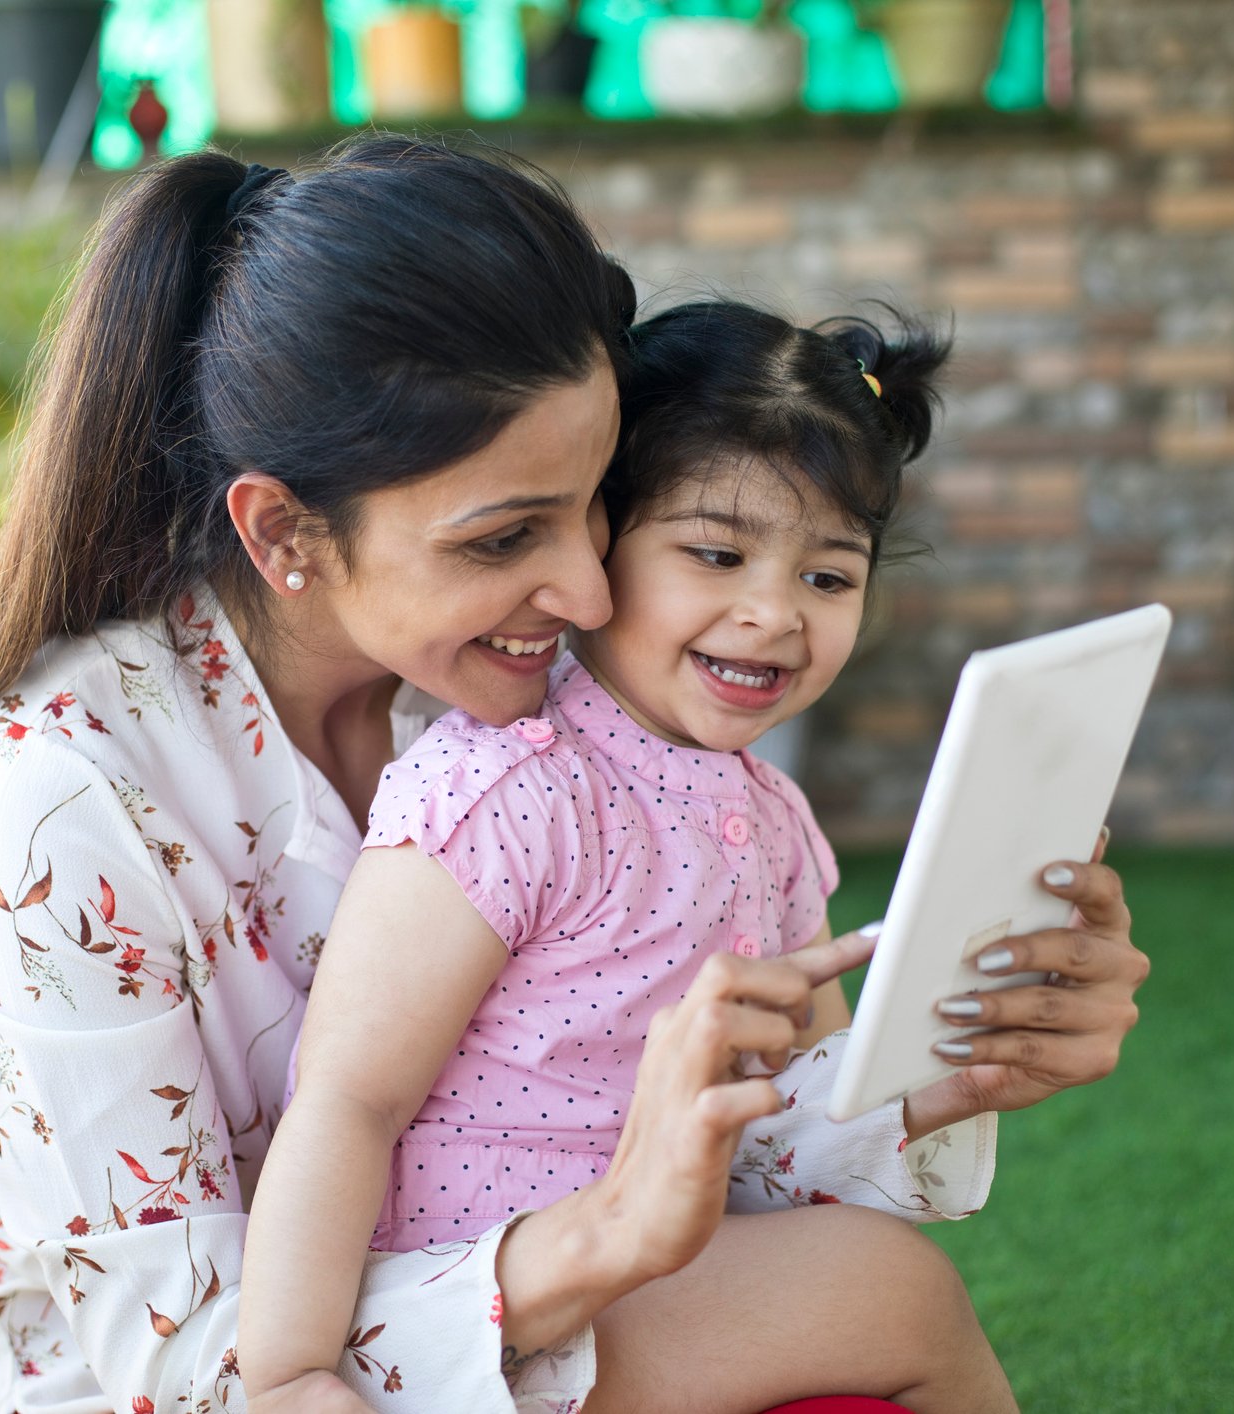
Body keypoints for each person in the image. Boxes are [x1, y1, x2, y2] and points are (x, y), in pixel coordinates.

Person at [0, 138, 1151, 1414]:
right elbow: (198, 1366)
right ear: (284, 533)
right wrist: (604, 1238)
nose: (592, 590)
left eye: (598, 502)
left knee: (873, 1298)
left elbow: (720, 1127)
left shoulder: (545, 714)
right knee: (880, 1295)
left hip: (491, 1299)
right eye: (504, 535)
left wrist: (955, 1065)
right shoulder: (65, 795)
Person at [238, 298, 1020, 1414]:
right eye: (716, 553)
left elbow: (806, 1098)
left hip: (667, 1267)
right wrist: (291, 1372)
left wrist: (947, 1058)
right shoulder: (506, 788)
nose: (773, 615)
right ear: (600, 542)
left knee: (874, 1271)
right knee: (897, 1290)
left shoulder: (773, 815)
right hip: (501, 1304)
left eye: (828, 576)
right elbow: (347, 1097)